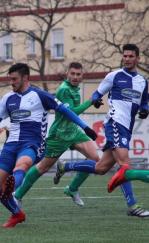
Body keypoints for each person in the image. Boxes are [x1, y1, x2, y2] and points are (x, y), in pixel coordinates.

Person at [0, 63, 97, 228]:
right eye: (10, 79)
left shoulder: (40, 95)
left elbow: (65, 110)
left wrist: (85, 127)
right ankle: (17, 213)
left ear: (25, 78)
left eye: (14, 79)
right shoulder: (8, 98)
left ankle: (13, 188)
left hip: (33, 143)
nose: (11, 82)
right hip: (11, 144)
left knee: (22, 165)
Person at [54, 44, 149, 217]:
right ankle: (133, 206)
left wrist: (145, 109)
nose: (127, 59)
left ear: (138, 58)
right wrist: (96, 100)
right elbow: (98, 93)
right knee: (124, 165)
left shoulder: (142, 81)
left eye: (130, 56)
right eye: (125, 56)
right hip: (115, 122)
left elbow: (144, 102)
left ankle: (66, 166)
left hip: (127, 127)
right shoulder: (114, 76)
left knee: (101, 168)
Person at [13, 62, 101, 206]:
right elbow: (71, 112)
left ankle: (72, 189)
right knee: (43, 167)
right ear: (67, 74)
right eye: (72, 73)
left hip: (73, 132)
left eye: (78, 74)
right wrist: (90, 101)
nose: (75, 76)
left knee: (94, 158)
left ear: (81, 75)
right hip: (59, 135)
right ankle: (17, 195)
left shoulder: (75, 88)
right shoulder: (64, 89)